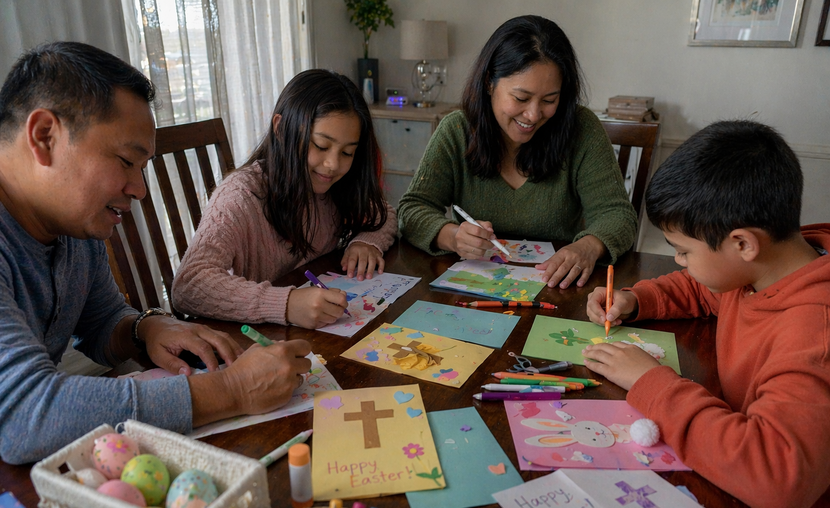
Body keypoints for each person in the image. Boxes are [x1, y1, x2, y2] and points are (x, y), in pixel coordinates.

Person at [0, 42, 312, 465]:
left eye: (142, 168)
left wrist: (146, 328)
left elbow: (100, 321)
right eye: (126, 161)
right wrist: (232, 389)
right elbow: (22, 414)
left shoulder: (72, 227)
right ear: (44, 136)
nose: (139, 189)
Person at [583, 120, 830, 508]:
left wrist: (651, 383)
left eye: (683, 251)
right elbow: (705, 286)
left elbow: (778, 481)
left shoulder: (814, 335)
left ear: (743, 244)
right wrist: (636, 299)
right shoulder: (764, 267)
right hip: (733, 477)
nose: (679, 262)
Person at [397, 15, 637, 289]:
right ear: (489, 82)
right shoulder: (457, 131)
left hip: (557, 288)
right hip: (474, 286)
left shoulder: (581, 129)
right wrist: (451, 236)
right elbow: (411, 210)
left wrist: (589, 246)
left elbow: (617, 215)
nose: (533, 115)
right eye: (521, 98)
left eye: (549, 100)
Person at [171, 69, 397, 329]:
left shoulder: (334, 186)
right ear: (281, 128)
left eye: (347, 152)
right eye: (321, 146)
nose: (333, 164)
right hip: (258, 338)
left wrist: (366, 242)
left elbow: (384, 213)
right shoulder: (240, 195)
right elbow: (189, 285)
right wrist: (286, 304)